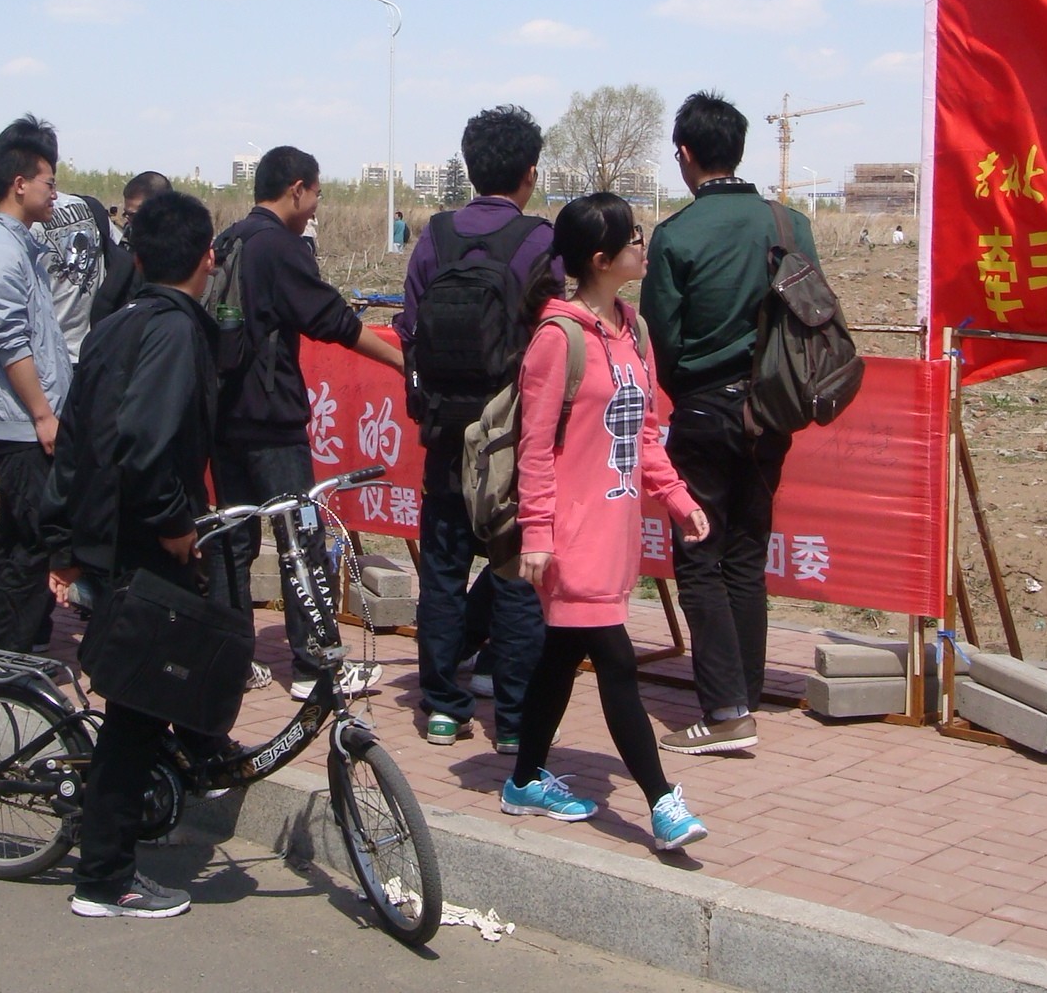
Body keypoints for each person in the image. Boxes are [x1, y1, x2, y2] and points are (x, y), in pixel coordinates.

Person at [501, 192, 711, 852]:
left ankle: (523, 780)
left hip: (614, 530)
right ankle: (662, 802)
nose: (642, 247)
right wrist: (538, 534)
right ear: (600, 258)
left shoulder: (635, 332)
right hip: (570, 535)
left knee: (561, 658)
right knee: (617, 660)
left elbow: (646, 433)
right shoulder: (556, 339)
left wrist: (676, 498)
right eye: (633, 238)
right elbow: (534, 449)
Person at [44, 190, 220, 921]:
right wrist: (176, 523)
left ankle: (186, 774)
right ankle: (105, 877)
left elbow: (74, 441)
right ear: (208, 259)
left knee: (156, 693)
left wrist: (65, 543)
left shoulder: (114, 324)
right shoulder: (175, 332)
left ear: (138, 259)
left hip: (106, 535)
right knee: (136, 712)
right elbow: (145, 448)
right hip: (145, 539)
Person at [642, 91, 815, 755]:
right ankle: (745, 692)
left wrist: (690, 389)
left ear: (686, 154)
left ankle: (724, 711)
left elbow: (663, 338)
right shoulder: (790, 226)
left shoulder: (677, 235)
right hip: (773, 410)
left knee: (699, 553)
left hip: (704, 408)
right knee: (746, 553)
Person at [210, 147, 404, 698]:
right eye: (316, 193)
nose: (317, 204)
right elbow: (332, 319)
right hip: (273, 419)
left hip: (224, 414)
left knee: (233, 542)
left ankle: (228, 660)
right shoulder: (280, 246)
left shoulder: (230, 238)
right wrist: (398, 359)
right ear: (296, 189)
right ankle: (316, 666)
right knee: (302, 537)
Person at [394, 105, 557, 752]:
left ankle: (442, 707)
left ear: (469, 168)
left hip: (444, 434)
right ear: (530, 172)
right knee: (515, 573)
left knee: (442, 570)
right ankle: (513, 724)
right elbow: (553, 341)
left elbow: (408, 332)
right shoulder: (540, 243)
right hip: (512, 438)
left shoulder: (435, 236)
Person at [0, 117, 72, 652]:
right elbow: (10, 342)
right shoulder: (1, 251)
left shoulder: (18, 245)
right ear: (20, 183)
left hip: (24, 419)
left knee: (14, 538)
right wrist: (43, 414)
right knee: (32, 543)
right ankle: (5, 657)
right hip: (21, 422)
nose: (55, 192)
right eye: (49, 182)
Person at [37, 188, 116, 362]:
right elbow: (120, 255)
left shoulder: (25, 221)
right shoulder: (88, 206)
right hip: (97, 350)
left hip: (50, 356)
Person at [88, 171, 171, 324]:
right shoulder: (126, 249)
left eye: (134, 215)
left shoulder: (185, 253)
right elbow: (103, 308)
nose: (130, 221)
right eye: (127, 214)